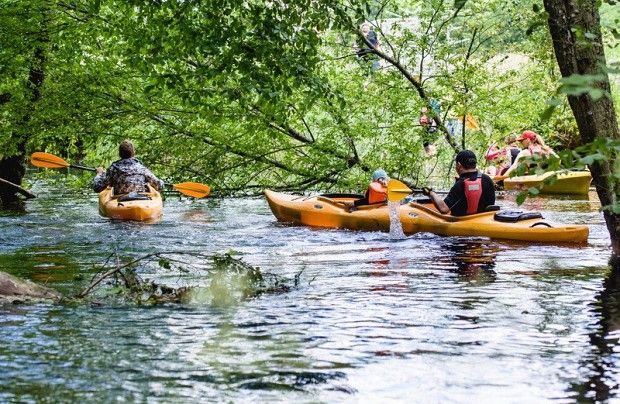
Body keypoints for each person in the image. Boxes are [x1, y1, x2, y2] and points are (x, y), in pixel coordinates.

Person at [423, 150, 496, 216]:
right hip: (485, 221)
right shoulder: (487, 179)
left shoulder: (460, 184)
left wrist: (431, 193)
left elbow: (444, 209)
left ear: (459, 165)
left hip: (462, 223)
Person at [91, 140, 165, 195]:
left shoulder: (113, 168)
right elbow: (160, 186)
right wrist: (161, 182)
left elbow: (97, 187)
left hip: (120, 200)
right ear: (133, 153)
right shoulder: (141, 168)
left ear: (119, 154)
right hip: (140, 199)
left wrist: (99, 174)